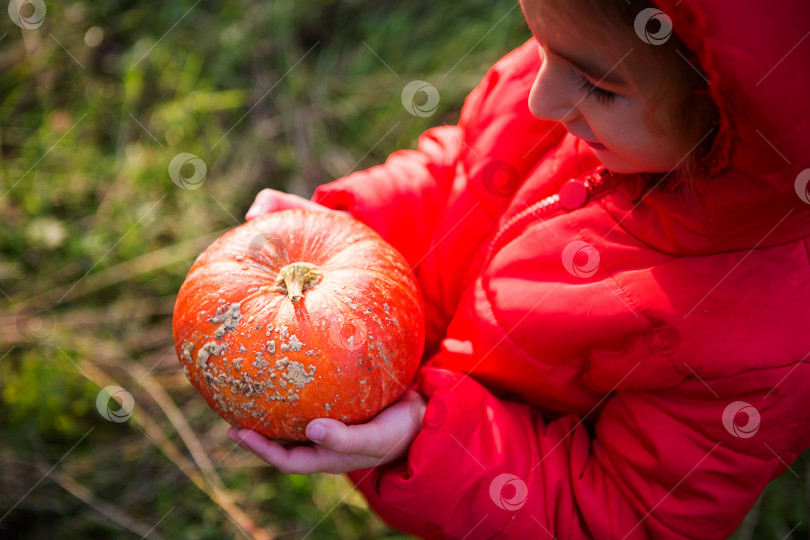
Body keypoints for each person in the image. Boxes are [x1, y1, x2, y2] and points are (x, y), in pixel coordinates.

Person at [230, 0, 810, 537]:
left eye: (597, 84)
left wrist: (423, 438)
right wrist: (352, 232)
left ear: (727, 110)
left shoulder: (758, 346)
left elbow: (618, 518)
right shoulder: (575, 78)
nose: (540, 98)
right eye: (538, 42)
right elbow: (461, 172)